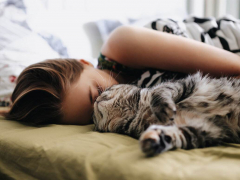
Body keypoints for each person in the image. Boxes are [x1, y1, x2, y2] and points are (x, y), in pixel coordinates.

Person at [3, 25, 240, 125]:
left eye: (98, 92)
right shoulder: (129, 114)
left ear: (84, 62)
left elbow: (234, 67)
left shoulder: (122, 46)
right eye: (92, 117)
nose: (107, 103)